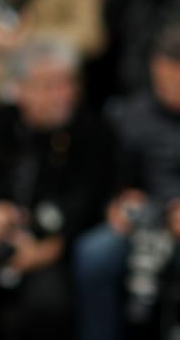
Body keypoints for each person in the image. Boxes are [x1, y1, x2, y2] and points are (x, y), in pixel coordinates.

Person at [0, 40, 115, 339]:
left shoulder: (91, 131)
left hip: (52, 250)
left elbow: (92, 199)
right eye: (49, 86)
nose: (62, 95)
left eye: (68, 83)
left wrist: (46, 248)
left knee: (47, 303)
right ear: (20, 88)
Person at [74, 26, 180, 340]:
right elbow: (109, 176)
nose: (171, 87)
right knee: (93, 254)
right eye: (164, 79)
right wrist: (117, 203)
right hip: (144, 218)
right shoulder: (131, 115)